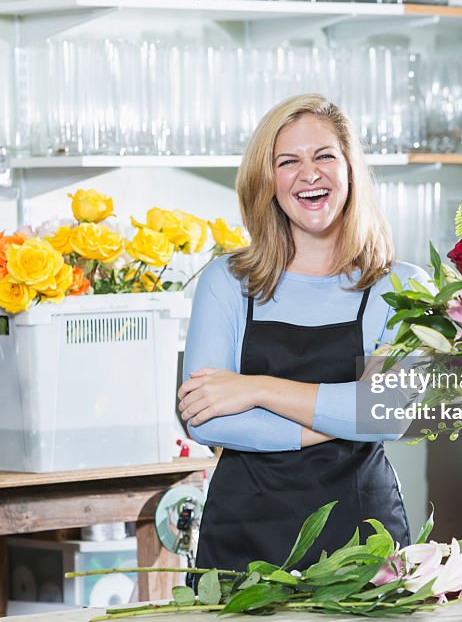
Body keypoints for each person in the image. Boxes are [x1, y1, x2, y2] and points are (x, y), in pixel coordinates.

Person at [178, 93, 429, 576]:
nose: (309, 173)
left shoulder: (400, 286)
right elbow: (206, 422)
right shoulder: (227, 282)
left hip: (361, 539)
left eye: (324, 156)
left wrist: (254, 388)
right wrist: (343, 414)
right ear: (267, 181)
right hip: (242, 538)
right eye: (288, 161)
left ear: (350, 169)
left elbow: (387, 417)